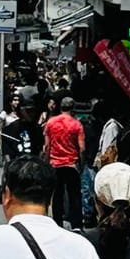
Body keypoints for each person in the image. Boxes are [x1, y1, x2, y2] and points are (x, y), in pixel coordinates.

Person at [42, 94, 86, 226]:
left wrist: (46, 163)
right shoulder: (77, 125)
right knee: (74, 195)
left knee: (57, 195)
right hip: (71, 164)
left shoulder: (50, 123)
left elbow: (47, 146)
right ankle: (77, 224)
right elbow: (82, 148)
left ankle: (57, 222)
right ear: (73, 109)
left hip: (55, 164)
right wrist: (82, 165)